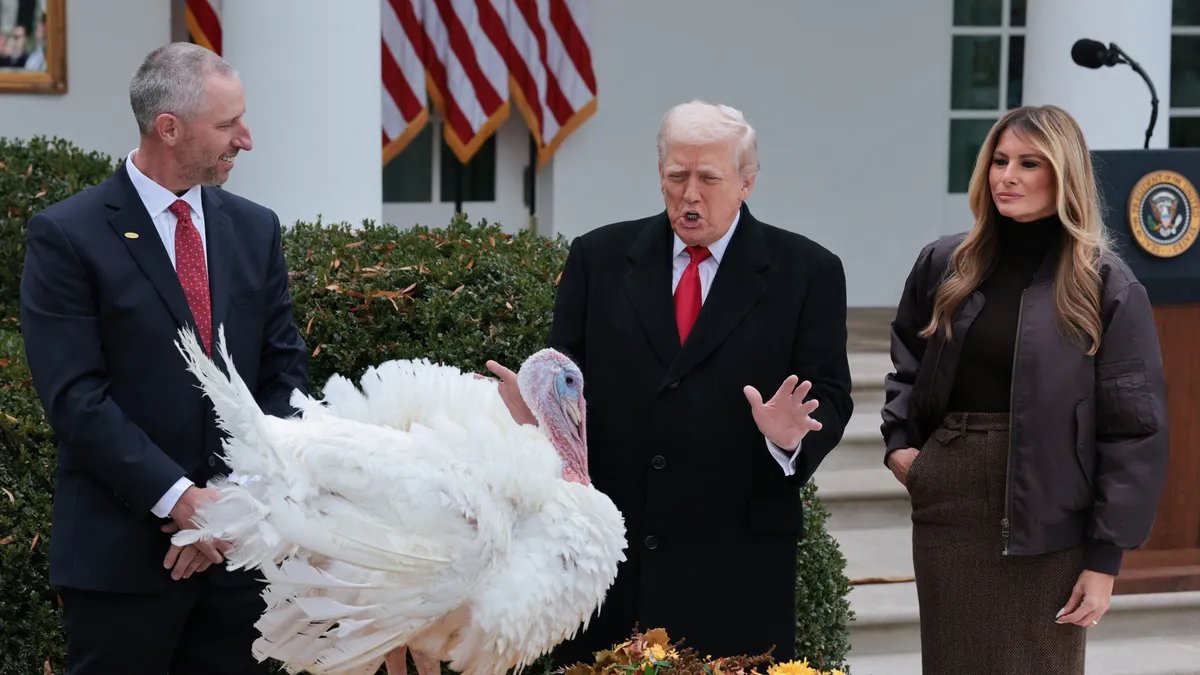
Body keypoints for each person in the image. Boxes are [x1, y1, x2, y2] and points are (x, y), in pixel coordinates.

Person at [490, 100, 853, 662]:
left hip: (735, 566)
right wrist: (536, 420)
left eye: (708, 177)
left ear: (747, 182)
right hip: (614, 561)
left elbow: (830, 394)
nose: (689, 194)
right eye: (676, 175)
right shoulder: (599, 258)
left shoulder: (807, 272)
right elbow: (569, 383)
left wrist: (790, 436)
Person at [20, 42, 308, 674]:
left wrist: (232, 506)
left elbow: (284, 378)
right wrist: (182, 503)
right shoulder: (68, 236)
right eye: (228, 124)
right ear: (168, 128)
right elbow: (76, 398)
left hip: (241, 555)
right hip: (124, 562)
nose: (247, 139)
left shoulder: (255, 229)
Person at [881, 105, 1169, 674]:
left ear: (1063, 176)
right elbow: (907, 361)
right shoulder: (945, 263)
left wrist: (1105, 559)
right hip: (952, 503)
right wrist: (901, 446)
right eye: (1000, 160)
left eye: (1028, 163)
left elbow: (1134, 429)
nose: (1006, 175)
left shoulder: (1104, 284)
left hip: (1051, 515)